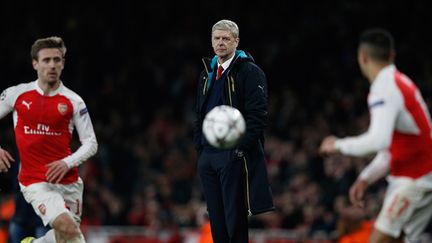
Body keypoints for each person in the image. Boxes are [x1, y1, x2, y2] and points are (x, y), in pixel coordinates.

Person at [319, 28, 432, 243]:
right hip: (420, 177)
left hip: (416, 180)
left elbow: (377, 141)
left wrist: (337, 145)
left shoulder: (384, 87)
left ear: (362, 58)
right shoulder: (401, 83)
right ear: (392, 56)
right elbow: (391, 149)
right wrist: (365, 179)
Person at [0, 36, 98, 243]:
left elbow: (91, 142)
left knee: (66, 237)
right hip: (35, 181)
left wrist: (67, 162)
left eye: (57, 59)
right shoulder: (17, 94)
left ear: (63, 63)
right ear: (35, 63)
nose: (52, 65)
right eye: (46, 60)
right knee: (69, 230)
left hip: (69, 182)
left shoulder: (74, 101)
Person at [193, 19, 274, 243]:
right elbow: (199, 114)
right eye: (217, 38)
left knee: (234, 220)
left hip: (232, 154)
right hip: (209, 155)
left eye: (226, 39)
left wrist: (239, 150)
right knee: (216, 222)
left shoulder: (249, 72)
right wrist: (200, 149)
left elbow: (258, 117)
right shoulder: (205, 74)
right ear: (211, 41)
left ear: (236, 41)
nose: (221, 43)